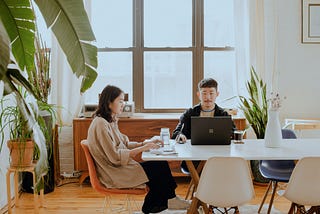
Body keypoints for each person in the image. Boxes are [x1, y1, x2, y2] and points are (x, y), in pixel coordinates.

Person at [87, 85, 190, 214]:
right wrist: (143, 147)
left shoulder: (109, 121)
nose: (123, 104)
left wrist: (146, 142)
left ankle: (166, 200)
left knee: (159, 164)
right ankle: (159, 203)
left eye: (123, 100)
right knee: (157, 166)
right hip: (113, 173)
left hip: (118, 167)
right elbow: (114, 156)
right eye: (120, 101)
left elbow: (124, 144)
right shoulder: (101, 124)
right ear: (109, 102)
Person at [171, 78, 236, 171]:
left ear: (217, 94)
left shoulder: (223, 114)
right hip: (194, 157)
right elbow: (176, 133)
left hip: (218, 156)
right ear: (198, 94)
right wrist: (179, 135)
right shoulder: (190, 113)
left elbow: (234, 133)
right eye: (204, 93)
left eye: (211, 93)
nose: (208, 97)